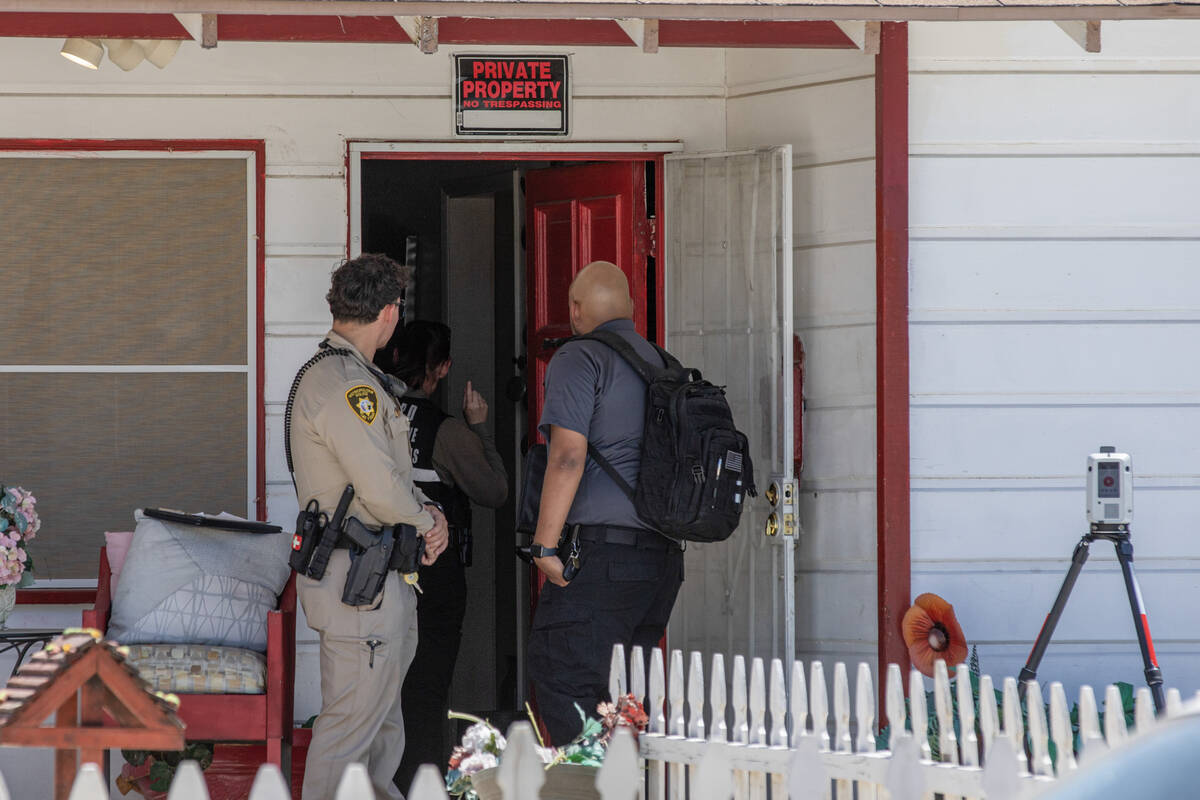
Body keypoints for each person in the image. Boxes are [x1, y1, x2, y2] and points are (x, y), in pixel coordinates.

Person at [288, 253, 450, 800]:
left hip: (378, 579)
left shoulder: (356, 377)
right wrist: (429, 520)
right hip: (358, 583)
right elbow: (379, 490)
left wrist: (430, 512)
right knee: (350, 735)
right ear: (389, 311)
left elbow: (388, 479)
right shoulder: (342, 385)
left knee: (380, 737)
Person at [527, 260, 685, 745]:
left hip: (604, 559)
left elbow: (568, 458)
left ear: (575, 309)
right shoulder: (665, 365)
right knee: (623, 695)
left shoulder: (579, 358)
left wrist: (544, 547)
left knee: (563, 674)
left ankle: (597, 788)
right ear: (631, 308)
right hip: (661, 562)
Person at [379, 321, 509, 792]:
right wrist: (480, 428)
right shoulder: (447, 431)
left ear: (393, 358)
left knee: (378, 690)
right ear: (444, 368)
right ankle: (421, 785)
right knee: (427, 690)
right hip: (435, 575)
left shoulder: (370, 417)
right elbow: (494, 491)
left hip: (373, 571)